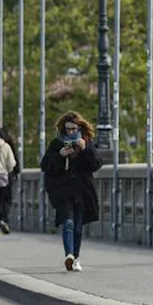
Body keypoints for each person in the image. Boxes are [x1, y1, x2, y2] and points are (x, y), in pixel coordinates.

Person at [40, 112, 102, 271]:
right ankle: (69, 255)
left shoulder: (86, 142)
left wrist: (86, 149)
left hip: (82, 191)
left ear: (79, 128)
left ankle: (76, 257)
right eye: (67, 129)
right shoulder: (57, 143)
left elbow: (96, 165)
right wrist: (59, 156)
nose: (70, 132)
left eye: (73, 129)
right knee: (68, 222)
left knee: (78, 227)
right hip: (63, 190)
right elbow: (45, 166)